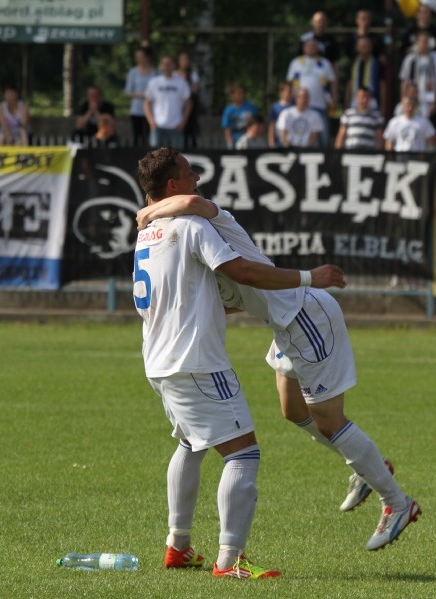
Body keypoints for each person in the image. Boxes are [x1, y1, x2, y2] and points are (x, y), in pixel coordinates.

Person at [135, 177, 421, 555]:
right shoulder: (181, 237)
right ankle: (371, 468)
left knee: (330, 422)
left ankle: (398, 503)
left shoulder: (209, 220)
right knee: (292, 410)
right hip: (286, 324)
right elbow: (236, 295)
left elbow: (193, 202)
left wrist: (146, 210)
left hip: (307, 318)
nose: (199, 182)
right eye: (192, 173)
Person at [134, 147, 345, 578]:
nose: (196, 176)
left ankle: (179, 546)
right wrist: (309, 277)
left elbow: (177, 295)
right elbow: (244, 272)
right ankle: (230, 561)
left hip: (158, 358)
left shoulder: (147, 233)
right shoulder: (191, 225)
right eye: (189, 171)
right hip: (195, 360)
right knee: (243, 453)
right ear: (173, 185)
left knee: (190, 445)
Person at [286, 38, 338, 148]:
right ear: (304, 48)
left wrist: (334, 99)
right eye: (308, 46)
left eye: (314, 46)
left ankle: (325, 160)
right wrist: (288, 99)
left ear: (318, 48)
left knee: (323, 135)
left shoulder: (325, 63)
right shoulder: (296, 62)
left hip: (320, 105)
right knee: (301, 133)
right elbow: (289, 83)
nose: (311, 48)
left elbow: (332, 82)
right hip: (300, 107)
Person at [399, 32, 436, 137]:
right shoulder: (410, 59)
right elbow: (404, 82)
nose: (424, 44)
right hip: (414, 100)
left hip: (431, 101)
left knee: (434, 133)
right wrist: (404, 100)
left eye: (426, 41)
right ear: (416, 43)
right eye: (422, 41)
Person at [144, 55, 193, 149]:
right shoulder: (154, 82)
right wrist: (151, 121)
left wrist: (183, 122)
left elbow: (188, 104)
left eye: (169, 64)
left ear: (173, 65)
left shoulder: (181, 82)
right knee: (155, 156)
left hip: (176, 125)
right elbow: (146, 103)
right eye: (164, 64)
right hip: (158, 125)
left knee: (176, 156)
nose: (167, 67)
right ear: (161, 66)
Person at [125, 46, 157, 147]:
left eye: (141, 56)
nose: (139, 59)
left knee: (149, 136)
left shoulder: (155, 73)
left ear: (147, 57)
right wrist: (142, 95)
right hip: (137, 110)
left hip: (152, 110)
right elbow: (128, 92)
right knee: (137, 135)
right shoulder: (133, 72)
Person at [345, 35, 385, 112]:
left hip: (372, 101)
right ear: (356, 48)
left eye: (366, 46)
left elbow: (382, 85)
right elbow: (349, 84)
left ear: (371, 48)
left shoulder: (377, 64)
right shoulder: (352, 64)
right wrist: (346, 102)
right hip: (355, 101)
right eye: (362, 46)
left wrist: (383, 105)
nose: (364, 48)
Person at [221, 82, 260, 150]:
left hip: (251, 143)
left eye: (242, 93)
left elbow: (260, 123)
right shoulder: (228, 110)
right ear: (232, 95)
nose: (241, 95)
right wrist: (229, 144)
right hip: (235, 143)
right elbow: (227, 129)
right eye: (238, 93)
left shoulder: (251, 107)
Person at [176, 51, 203, 148]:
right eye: (182, 60)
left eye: (187, 59)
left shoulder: (193, 75)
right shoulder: (175, 75)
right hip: (178, 108)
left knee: (191, 131)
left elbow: (195, 89)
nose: (185, 62)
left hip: (190, 107)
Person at [267, 82, 293, 148]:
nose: (289, 93)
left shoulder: (294, 106)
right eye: (287, 91)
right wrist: (271, 142)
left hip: (292, 141)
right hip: (278, 141)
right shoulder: (275, 107)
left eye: (290, 91)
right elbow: (272, 125)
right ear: (281, 92)